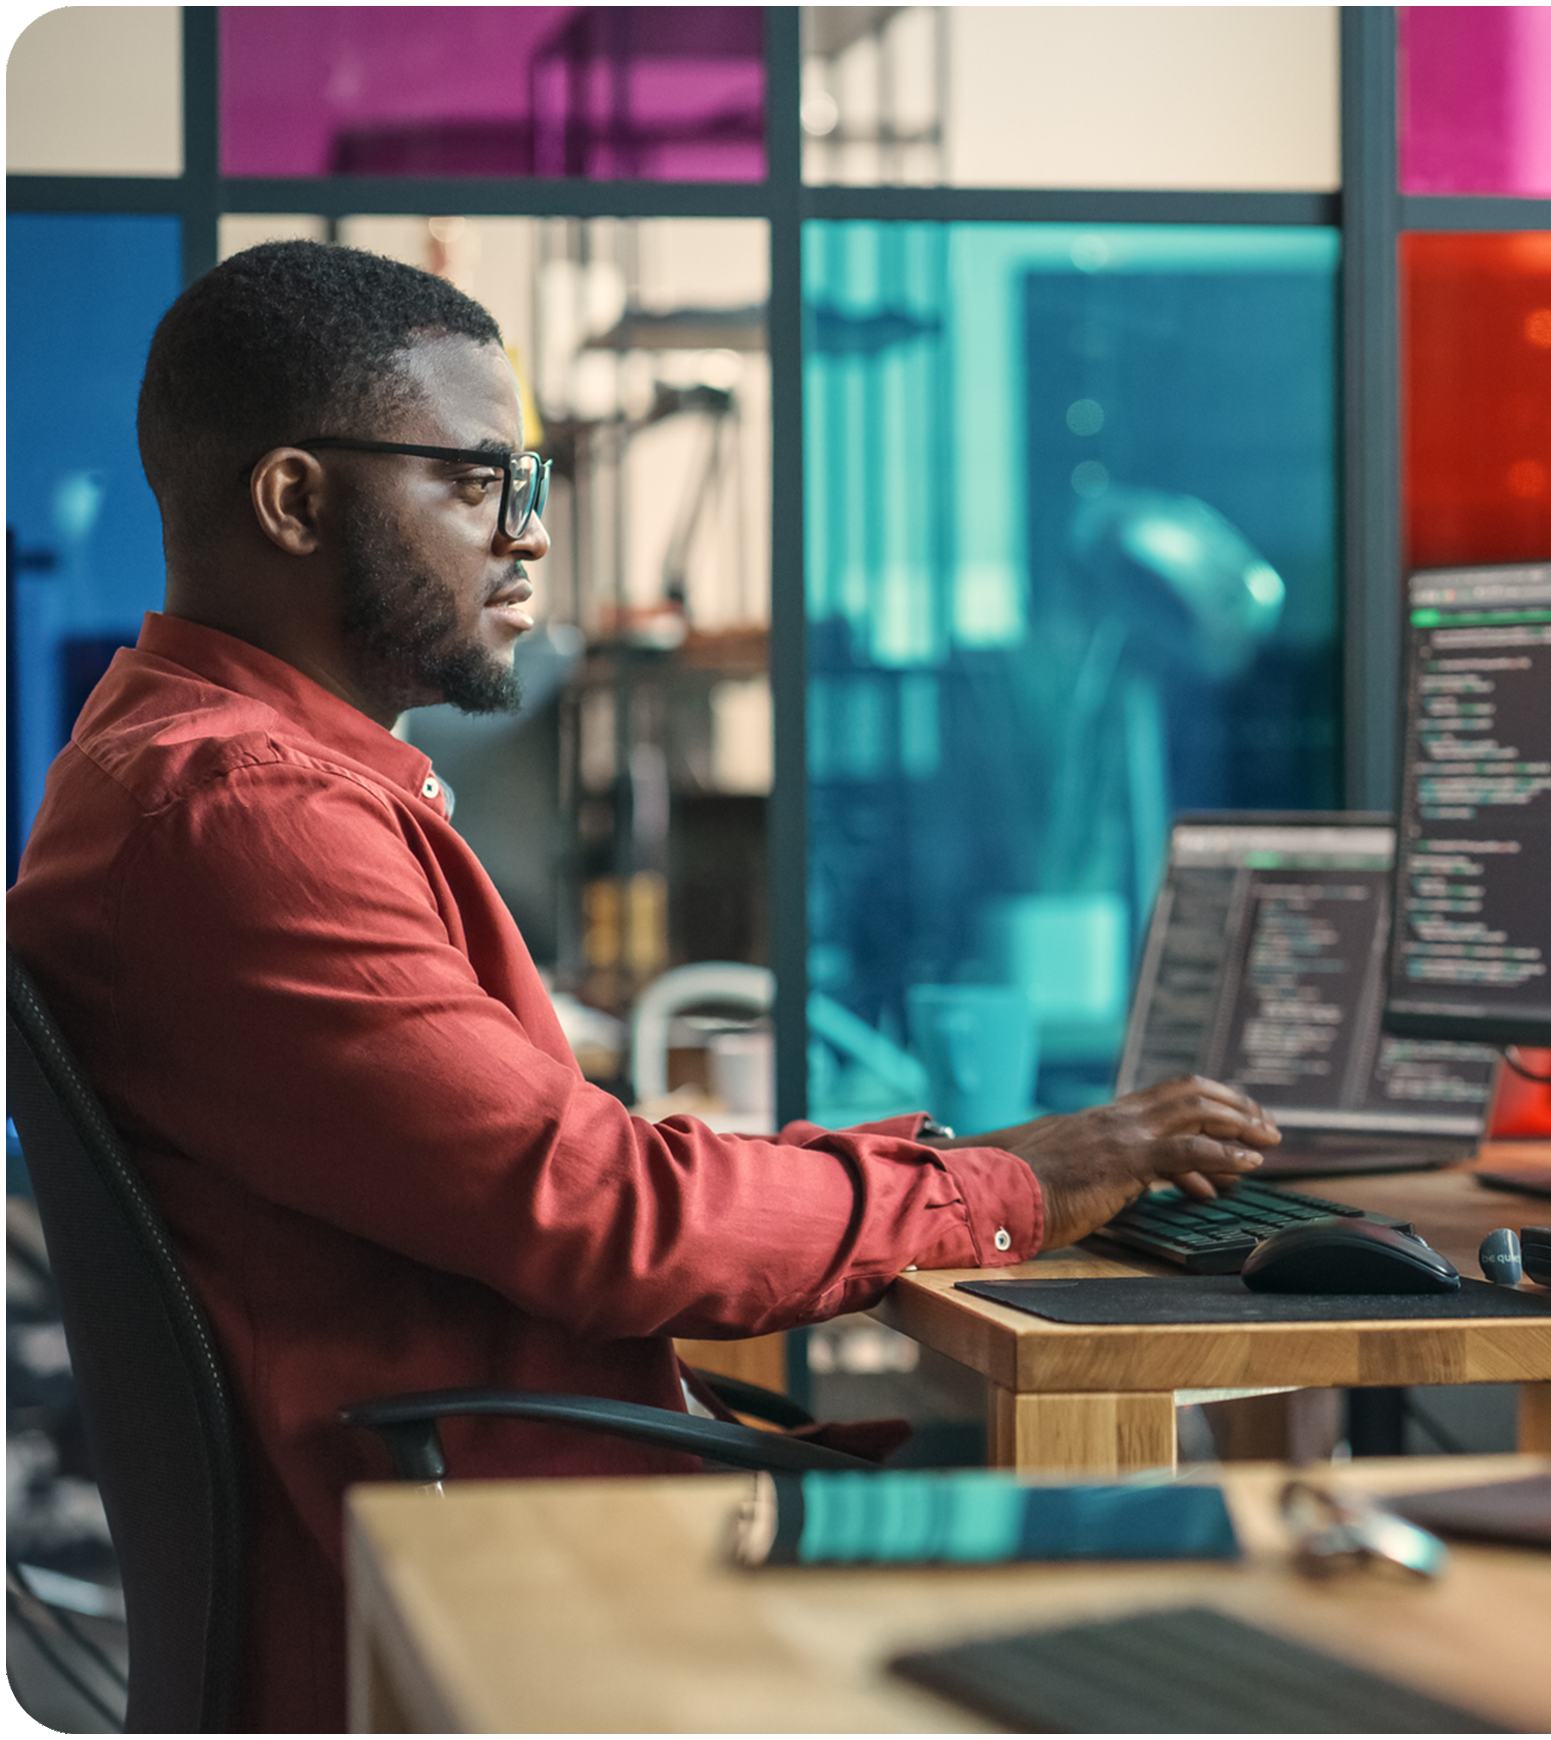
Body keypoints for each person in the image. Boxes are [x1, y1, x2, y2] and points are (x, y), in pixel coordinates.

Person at [7, 242, 1280, 1732]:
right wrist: (1003, 1187)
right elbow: (606, 1216)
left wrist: (956, 1171)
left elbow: (580, 1182)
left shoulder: (189, 771)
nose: (531, 539)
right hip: (481, 1597)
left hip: (470, 1532)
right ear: (293, 499)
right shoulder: (248, 815)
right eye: (479, 482)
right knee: (1202, 1584)